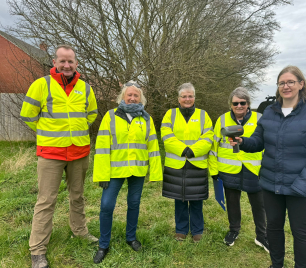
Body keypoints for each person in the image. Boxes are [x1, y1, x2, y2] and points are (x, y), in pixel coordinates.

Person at [229, 66, 306, 268]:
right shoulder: (269, 111)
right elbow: (259, 142)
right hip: (270, 184)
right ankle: (276, 265)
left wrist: (304, 184)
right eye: (282, 83)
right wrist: (242, 141)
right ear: (278, 86)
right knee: (274, 229)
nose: (286, 86)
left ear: (301, 84)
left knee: (300, 232)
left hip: (301, 187)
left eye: (290, 82)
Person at [20, 45, 98, 268]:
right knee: (46, 201)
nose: (66, 65)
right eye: (62, 61)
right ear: (55, 62)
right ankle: (37, 250)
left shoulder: (85, 88)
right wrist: (48, 133)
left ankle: (80, 232)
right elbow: (28, 115)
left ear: (76, 64)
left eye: (70, 61)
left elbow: (91, 113)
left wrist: (79, 127)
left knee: (78, 196)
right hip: (51, 153)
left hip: (79, 151)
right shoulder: (41, 85)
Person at [92, 81, 162, 264]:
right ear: (122, 97)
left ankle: (131, 237)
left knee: (134, 203)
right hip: (115, 170)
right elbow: (101, 147)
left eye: (136, 95)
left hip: (137, 170)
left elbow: (153, 147)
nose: (132, 98)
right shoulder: (110, 116)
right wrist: (101, 174)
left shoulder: (146, 119)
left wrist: (155, 173)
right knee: (106, 206)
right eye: (129, 95)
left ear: (141, 99)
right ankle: (103, 245)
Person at [209, 87, 269, 252]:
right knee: (232, 203)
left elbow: (268, 146)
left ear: (248, 104)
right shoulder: (221, 120)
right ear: (231, 104)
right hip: (228, 170)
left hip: (254, 171)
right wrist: (214, 171)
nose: (239, 106)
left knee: (259, 205)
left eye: (243, 102)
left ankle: (262, 236)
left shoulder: (260, 119)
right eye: (236, 103)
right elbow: (214, 147)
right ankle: (233, 231)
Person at [161, 82, 214, 243]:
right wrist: (183, 150)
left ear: (194, 97)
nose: (187, 99)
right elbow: (166, 135)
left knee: (197, 200)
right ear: (178, 98)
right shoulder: (170, 114)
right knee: (180, 200)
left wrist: (193, 151)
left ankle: (197, 230)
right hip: (176, 165)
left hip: (196, 164)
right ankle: (181, 230)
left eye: (190, 96)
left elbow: (208, 137)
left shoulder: (203, 115)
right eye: (184, 96)